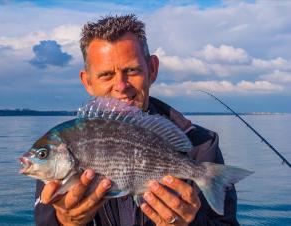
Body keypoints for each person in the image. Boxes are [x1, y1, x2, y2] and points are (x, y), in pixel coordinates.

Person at [34, 14, 240, 226]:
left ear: (152, 69)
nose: (121, 86)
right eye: (106, 75)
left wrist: (191, 223)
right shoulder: (63, 148)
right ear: (87, 81)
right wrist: (65, 221)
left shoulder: (202, 145)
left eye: (131, 70)